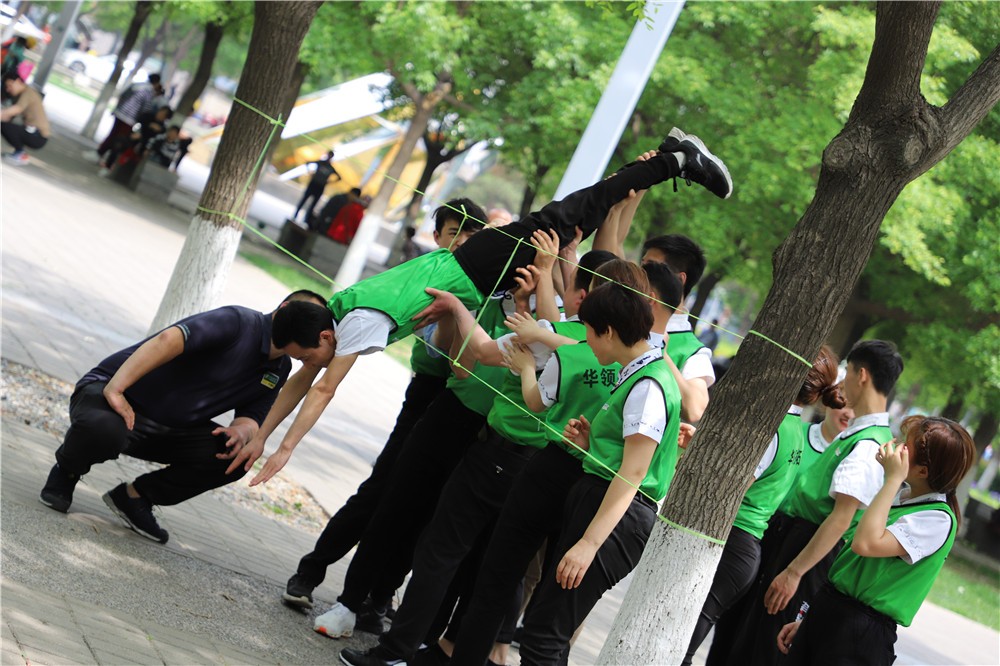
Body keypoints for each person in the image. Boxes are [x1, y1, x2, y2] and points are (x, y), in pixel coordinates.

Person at [231, 126, 733, 488]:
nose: (307, 365)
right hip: (477, 269)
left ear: (324, 337)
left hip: (479, 268)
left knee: (577, 213)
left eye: (306, 355)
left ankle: (675, 160)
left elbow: (322, 388)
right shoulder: (338, 313)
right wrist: (263, 435)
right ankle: (665, 157)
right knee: (581, 210)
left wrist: (284, 449)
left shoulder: (357, 324)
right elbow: (306, 379)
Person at [281, 200, 486, 611]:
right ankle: (311, 571)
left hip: (466, 411)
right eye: (455, 233)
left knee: (424, 506)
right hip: (428, 393)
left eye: (473, 236)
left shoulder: (485, 284)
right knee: (380, 489)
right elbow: (439, 351)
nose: (464, 242)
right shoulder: (426, 279)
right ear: (437, 237)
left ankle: (380, 597)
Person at [37, 291, 328, 544]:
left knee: (235, 458)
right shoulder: (237, 322)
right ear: (286, 309)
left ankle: (135, 497)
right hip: (115, 398)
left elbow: (253, 416)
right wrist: (116, 388)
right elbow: (167, 339)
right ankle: (68, 471)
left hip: (170, 429)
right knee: (102, 430)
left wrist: (242, 431)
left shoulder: (279, 368)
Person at [716, 339, 903, 666]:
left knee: (766, 649)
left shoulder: (867, 445)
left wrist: (794, 572)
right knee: (748, 643)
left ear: (861, 375)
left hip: (808, 549)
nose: (842, 383)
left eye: (847, 373)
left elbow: (840, 519)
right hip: (795, 542)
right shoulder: (862, 435)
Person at [682, 346, 845, 665]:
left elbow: (729, 490)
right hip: (743, 549)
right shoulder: (795, 429)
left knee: (678, 646)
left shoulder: (773, 427)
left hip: (732, 544)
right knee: (684, 647)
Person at [776, 416, 976, 666]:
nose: (895, 446)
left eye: (905, 446)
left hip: (859, 632)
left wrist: (892, 480)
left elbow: (865, 544)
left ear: (922, 471)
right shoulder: (902, 498)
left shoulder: (937, 519)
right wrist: (809, 622)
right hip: (833, 611)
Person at [640, 234, 715, 422]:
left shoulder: (692, 351)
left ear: (680, 280)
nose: (640, 274)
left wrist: (661, 352)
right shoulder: (623, 315)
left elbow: (695, 409)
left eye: (651, 266)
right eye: (642, 265)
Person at [96, 73, 162, 162]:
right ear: (157, 83)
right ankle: (107, 160)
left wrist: (117, 108)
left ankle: (100, 153)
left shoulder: (137, 85)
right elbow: (145, 110)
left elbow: (122, 96)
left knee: (113, 134)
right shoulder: (149, 93)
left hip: (120, 112)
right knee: (120, 140)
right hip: (130, 119)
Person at [1, 65, 49, 165]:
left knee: (5, 126)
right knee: (4, 125)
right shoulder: (18, 96)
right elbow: (7, 117)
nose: (8, 89)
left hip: (38, 136)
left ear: (18, 81)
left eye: (10, 86)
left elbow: (16, 109)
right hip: (32, 132)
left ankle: (20, 154)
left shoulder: (28, 92)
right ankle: (19, 153)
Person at [295, 151, 341, 221]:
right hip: (314, 184)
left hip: (320, 186)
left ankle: (306, 218)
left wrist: (329, 182)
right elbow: (308, 163)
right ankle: (296, 214)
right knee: (304, 199)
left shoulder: (330, 168)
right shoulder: (321, 163)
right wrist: (310, 173)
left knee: (313, 204)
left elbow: (339, 178)